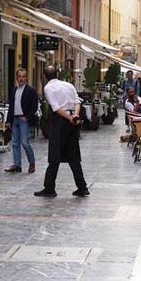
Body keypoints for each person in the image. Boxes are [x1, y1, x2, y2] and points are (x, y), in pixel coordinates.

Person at [35, 66, 89, 198]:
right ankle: (82, 187)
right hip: (72, 120)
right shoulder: (68, 85)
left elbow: (56, 108)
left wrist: (69, 118)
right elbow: (77, 102)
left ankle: (49, 188)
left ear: (44, 77)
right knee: (73, 155)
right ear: (57, 74)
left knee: (54, 155)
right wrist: (74, 116)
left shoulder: (48, 88)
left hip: (61, 121)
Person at [5, 68, 38, 174]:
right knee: (15, 143)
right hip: (14, 119)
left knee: (24, 143)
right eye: (19, 76)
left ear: (26, 77)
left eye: (23, 76)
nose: (21, 79)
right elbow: (11, 106)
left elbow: (34, 106)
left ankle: (31, 163)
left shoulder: (31, 90)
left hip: (24, 120)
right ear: (16, 77)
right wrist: (8, 120)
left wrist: (27, 117)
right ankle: (17, 165)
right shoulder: (13, 90)